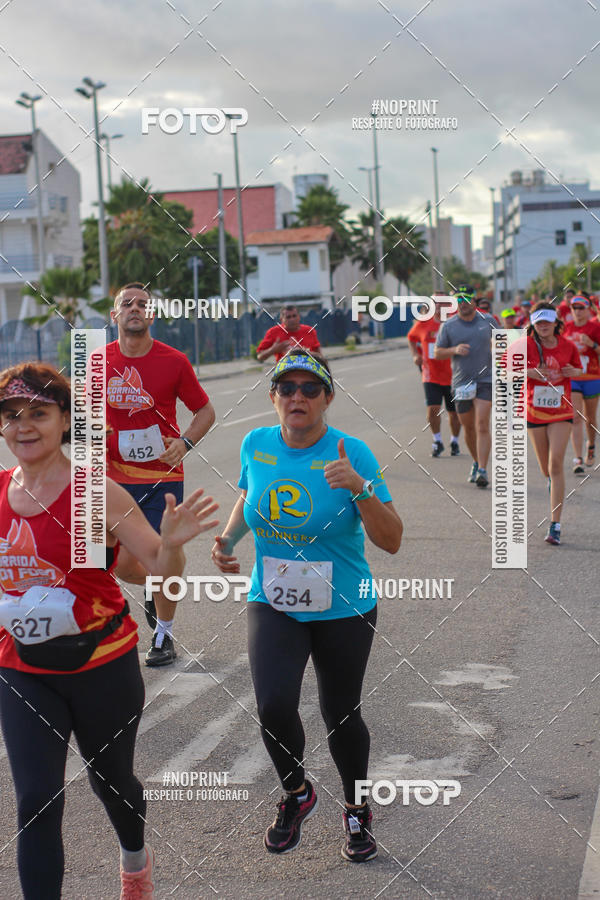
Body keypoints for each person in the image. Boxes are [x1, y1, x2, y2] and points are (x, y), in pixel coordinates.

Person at [0, 362, 218, 899]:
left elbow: (153, 575)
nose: (23, 426)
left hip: (103, 665)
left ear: (66, 420)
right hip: (23, 669)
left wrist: (172, 546)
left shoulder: (97, 492)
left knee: (113, 783)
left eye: (38, 414)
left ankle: (135, 862)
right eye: (10, 416)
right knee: (36, 801)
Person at [211, 349, 402, 862]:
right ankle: (297, 793)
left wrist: (360, 490)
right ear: (273, 398)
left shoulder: (352, 451)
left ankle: (358, 807)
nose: (297, 397)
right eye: (286, 389)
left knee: (340, 714)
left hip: (345, 603)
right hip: (273, 598)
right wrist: (228, 538)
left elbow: (392, 540)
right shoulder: (256, 442)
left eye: (309, 389)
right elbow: (250, 493)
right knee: (273, 705)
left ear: (327, 398)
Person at [105, 283, 215, 667]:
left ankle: (163, 636)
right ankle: (156, 587)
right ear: (114, 315)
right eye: (127, 303)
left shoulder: (174, 361)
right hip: (113, 483)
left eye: (144, 304)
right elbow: (79, 419)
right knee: (115, 563)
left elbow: (205, 412)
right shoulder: (98, 362)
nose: (135, 308)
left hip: (162, 480)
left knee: (164, 554)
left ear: (152, 316)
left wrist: (184, 443)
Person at [525, 304, 582, 544]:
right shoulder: (525, 345)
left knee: (556, 464)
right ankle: (553, 488)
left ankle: (555, 524)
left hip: (561, 410)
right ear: (533, 324)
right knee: (546, 470)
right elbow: (506, 370)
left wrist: (572, 371)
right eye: (539, 322)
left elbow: (580, 370)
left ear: (556, 322)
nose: (544, 326)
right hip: (535, 411)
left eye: (547, 321)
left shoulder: (567, 345)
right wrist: (531, 372)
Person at [434, 285, 500, 487]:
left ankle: (482, 469)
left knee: (481, 424)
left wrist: (497, 347)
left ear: (474, 300)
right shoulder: (449, 325)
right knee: (468, 428)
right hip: (462, 382)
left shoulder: (488, 320)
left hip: (486, 380)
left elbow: (504, 343)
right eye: (458, 301)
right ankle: (476, 461)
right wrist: (454, 349)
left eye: (466, 299)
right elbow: (437, 353)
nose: (462, 304)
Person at [407, 299, 461, 457]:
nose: (439, 307)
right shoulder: (424, 323)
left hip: (453, 375)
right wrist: (415, 355)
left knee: (454, 412)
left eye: (443, 304)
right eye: (436, 304)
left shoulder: (455, 323)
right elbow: (411, 338)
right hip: (430, 374)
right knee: (433, 410)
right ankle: (437, 441)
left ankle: (455, 441)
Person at [563, 296, 600, 471]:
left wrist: (592, 344)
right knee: (575, 417)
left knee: (590, 418)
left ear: (587, 309)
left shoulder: (595, 327)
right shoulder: (566, 328)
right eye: (574, 307)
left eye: (580, 307)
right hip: (574, 379)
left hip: (592, 377)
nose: (577, 311)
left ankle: (591, 445)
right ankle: (577, 458)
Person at [256, 305, 321, 362]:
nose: (292, 319)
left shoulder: (309, 331)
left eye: (294, 316)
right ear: (281, 319)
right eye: (288, 317)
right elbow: (260, 357)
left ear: (299, 317)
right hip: (284, 370)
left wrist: (304, 352)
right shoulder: (273, 332)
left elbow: (320, 357)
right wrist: (273, 349)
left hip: (307, 368)